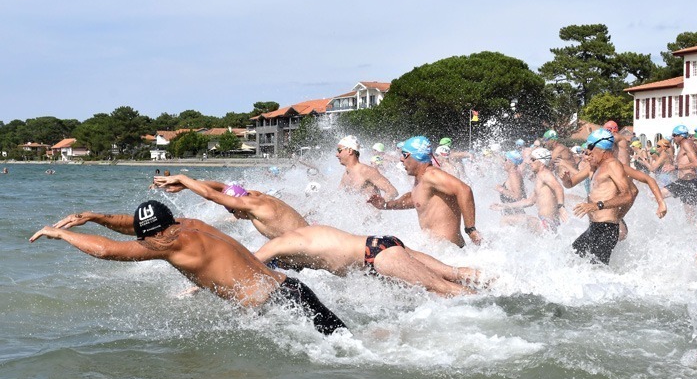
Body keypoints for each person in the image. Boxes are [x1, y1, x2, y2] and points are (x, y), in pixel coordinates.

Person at [29, 201, 347, 335]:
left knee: (343, 353)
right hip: (292, 291)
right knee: (345, 341)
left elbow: (107, 251)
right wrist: (95, 216)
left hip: (279, 307)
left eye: (147, 236)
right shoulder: (189, 226)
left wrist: (60, 233)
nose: (146, 241)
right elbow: (135, 226)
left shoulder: (169, 244)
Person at [254, 225, 482, 297]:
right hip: (381, 243)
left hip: (376, 256)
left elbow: (246, 263)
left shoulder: (277, 246)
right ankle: (499, 287)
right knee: (452, 273)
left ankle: (488, 306)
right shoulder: (302, 233)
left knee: (442, 290)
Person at [368, 136, 482, 248]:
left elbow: (464, 190)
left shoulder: (431, 175)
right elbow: (415, 199)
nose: (401, 159)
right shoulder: (421, 179)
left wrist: (470, 229)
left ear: (417, 156)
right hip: (439, 250)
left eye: (404, 155)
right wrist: (385, 205)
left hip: (450, 250)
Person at [557, 129, 633, 265]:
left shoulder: (613, 165)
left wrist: (597, 206)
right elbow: (570, 184)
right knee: (570, 259)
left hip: (606, 229)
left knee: (597, 270)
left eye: (591, 147)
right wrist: (565, 179)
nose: (588, 151)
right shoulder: (594, 167)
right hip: (594, 227)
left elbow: (628, 195)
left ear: (602, 148)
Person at [153, 174, 308, 240]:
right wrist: (184, 186)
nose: (235, 216)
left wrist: (181, 178)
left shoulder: (251, 204)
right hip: (305, 239)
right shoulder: (255, 195)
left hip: (305, 250)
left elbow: (210, 194)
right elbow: (221, 187)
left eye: (233, 210)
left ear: (238, 206)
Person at [491, 147, 567, 233]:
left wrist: (561, 207)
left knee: (505, 220)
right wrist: (504, 206)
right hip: (545, 222)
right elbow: (529, 201)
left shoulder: (545, 174)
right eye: (530, 159)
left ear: (542, 163)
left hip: (547, 224)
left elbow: (558, 187)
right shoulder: (540, 177)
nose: (530, 162)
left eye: (533, 159)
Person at [336, 135, 398, 201]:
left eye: (339, 150)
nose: (336, 155)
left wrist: (379, 206)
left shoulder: (366, 171)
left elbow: (392, 192)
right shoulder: (346, 175)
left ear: (350, 151)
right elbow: (338, 196)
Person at [665, 125, 697, 218]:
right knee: (689, 215)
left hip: (688, 182)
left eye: (674, 135)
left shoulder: (686, 143)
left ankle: (663, 218)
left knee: (657, 195)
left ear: (681, 136)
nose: (673, 137)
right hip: (687, 181)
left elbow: (695, 163)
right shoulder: (689, 143)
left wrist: (675, 167)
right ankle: (692, 230)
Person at [494, 151, 526, 218]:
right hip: (513, 214)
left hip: (515, 215)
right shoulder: (514, 174)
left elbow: (518, 196)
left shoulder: (514, 175)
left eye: (505, 160)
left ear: (511, 162)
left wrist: (501, 189)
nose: (504, 163)